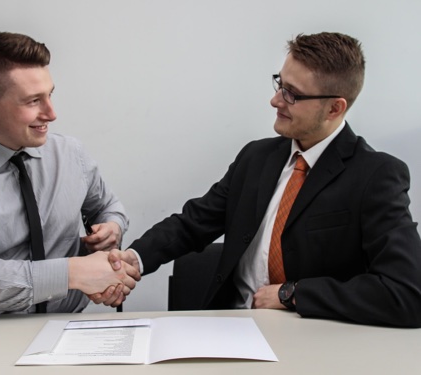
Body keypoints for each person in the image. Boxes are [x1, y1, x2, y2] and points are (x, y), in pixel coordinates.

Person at [98, 32, 421, 327]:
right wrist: (133, 260)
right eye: (280, 84)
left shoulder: (375, 176)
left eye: (292, 94)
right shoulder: (257, 158)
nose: (276, 100)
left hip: (313, 340)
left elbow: (407, 293)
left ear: (335, 108)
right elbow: (192, 223)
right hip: (231, 328)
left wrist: (291, 294)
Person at [0, 32, 140, 314]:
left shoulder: (71, 154)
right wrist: (72, 272)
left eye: (49, 95)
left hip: (68, 329)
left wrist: (111, 227)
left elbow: (108, 207)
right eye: (33, 101)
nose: (51, 113)